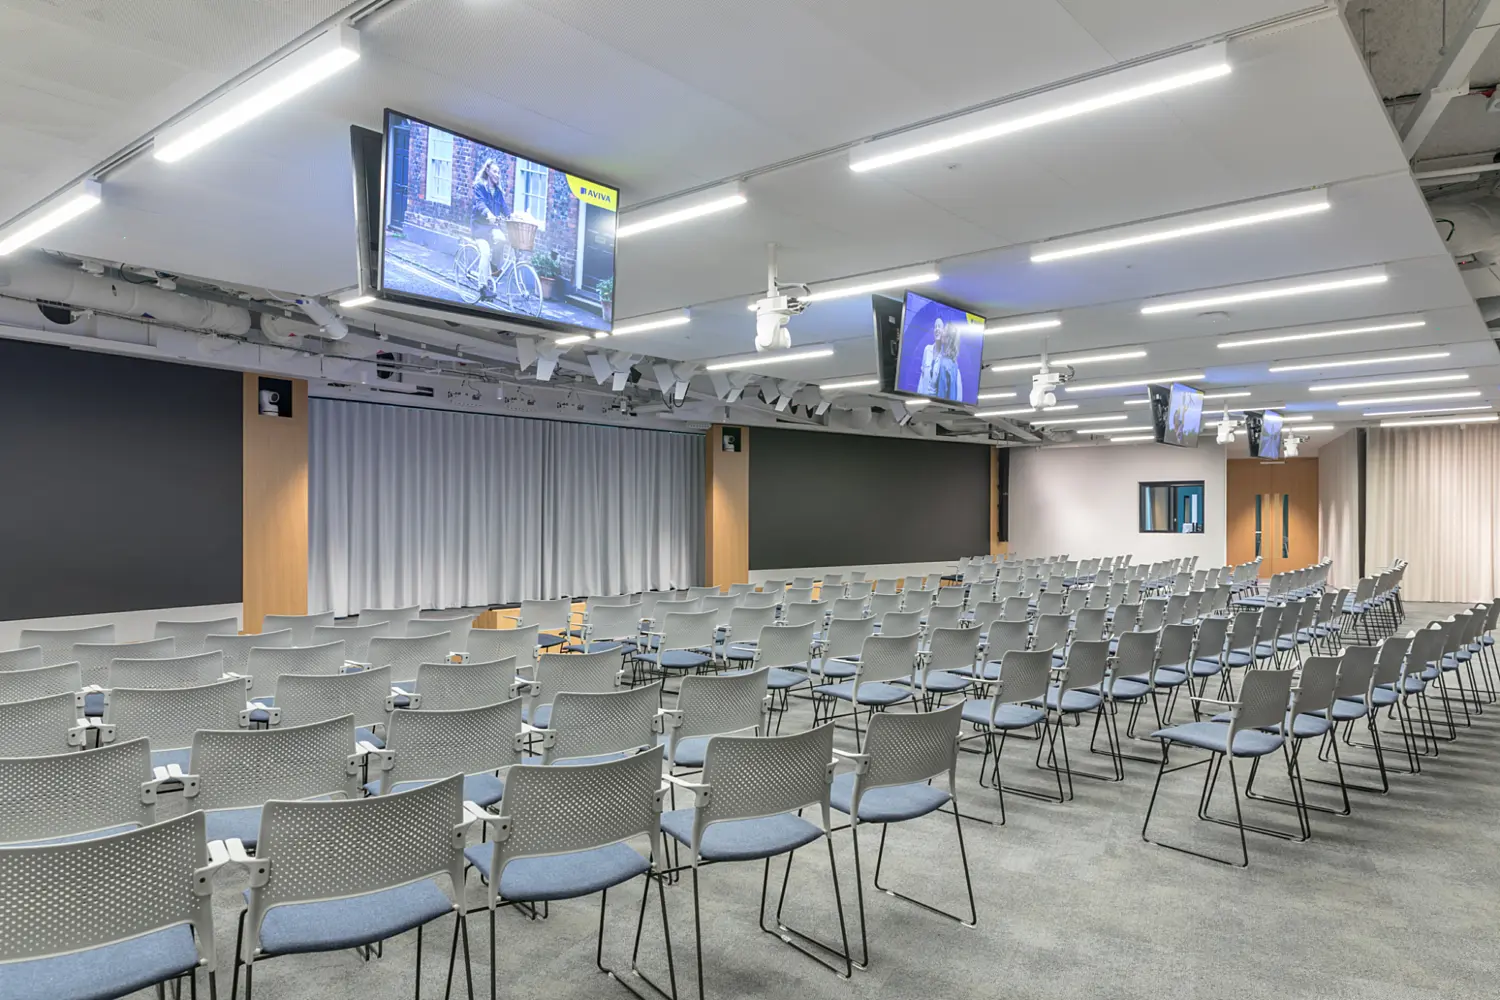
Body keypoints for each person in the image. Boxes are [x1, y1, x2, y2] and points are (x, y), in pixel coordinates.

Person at [469, 159, 511, 291]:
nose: (497, 174)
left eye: (499, 172)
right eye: (494, 171)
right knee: (485, 252)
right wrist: (488, 214)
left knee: (502, 239)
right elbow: (480, 203)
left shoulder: (498, 192)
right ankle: (483, 286)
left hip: (493, 228)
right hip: (480, 227)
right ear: (487, 171)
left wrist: (512, 217)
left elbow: (504, 208)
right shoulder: (479, 187)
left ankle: (493, 266)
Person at [916, 317, 963, 401]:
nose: (937, 329)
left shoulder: (946, 360)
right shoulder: (927, 349)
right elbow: (922, 375)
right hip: (922, 398)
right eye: (935, 326)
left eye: (940, 327)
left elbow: (947, 391)